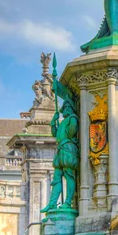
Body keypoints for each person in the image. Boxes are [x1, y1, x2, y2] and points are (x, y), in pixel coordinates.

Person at [41, 83, 79, 213]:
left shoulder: (73, 119)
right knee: (56, 178)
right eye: (65, 107)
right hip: (61, 149)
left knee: (69, 176)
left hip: (68, 148)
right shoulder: (63, 122)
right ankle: (52, 204)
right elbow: (56, 134)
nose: (66, 108)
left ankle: (68, 202)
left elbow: (73, 131)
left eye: (68, 106)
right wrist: (53, 123)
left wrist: (66, 136)